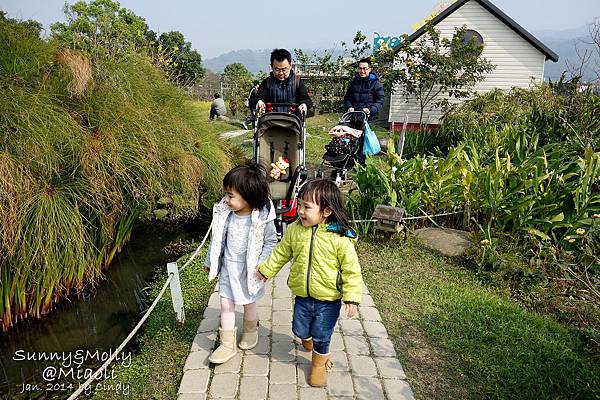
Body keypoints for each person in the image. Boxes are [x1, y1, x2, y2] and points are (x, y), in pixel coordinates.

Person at [256, 179, 362, 387]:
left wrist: (352, 298)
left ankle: (318, 365)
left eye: (307, 207)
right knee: (300, 329)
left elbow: (351, 270)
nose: (300, 211)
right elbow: (281, 253)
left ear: (326, 211)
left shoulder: (339, 238)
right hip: (303, 296)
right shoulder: (296, 230)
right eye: (300, 205)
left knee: (322, 335)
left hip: (329, 300)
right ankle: (308, 340)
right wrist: (266, 270)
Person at [204, 163, 277, 364]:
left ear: (249, 196)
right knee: (226, 303)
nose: (226, 199)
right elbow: (217, 238)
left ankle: (250, 330)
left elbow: (271, 241)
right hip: (229, 267)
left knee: (248, 302)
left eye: (230, 195)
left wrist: (263, 266)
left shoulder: (261, 218)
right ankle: (227, 344)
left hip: (249, 269)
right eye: (226, 194)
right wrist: (210, 260)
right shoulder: (225, 215)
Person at [251, 48, 313, 114]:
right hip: (270, 121)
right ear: (271, 67)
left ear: (290, 66)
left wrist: (304, 105)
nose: (281, 73)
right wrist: (259, 102)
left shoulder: (297, 82)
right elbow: (255, 99)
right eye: (277, 70)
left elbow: (307, 100)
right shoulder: (266, 83)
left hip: (292, 121)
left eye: (284, 70)